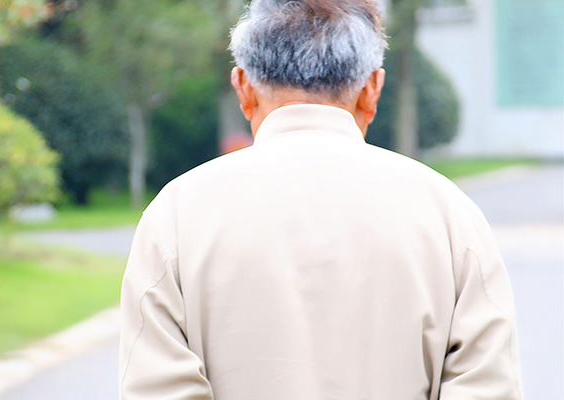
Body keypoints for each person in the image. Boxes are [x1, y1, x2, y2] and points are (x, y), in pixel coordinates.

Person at [119, 1, 524, 399]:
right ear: (372, 89)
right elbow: (487, 385)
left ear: (243, 87)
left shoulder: (177, 213)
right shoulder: (447, 212)